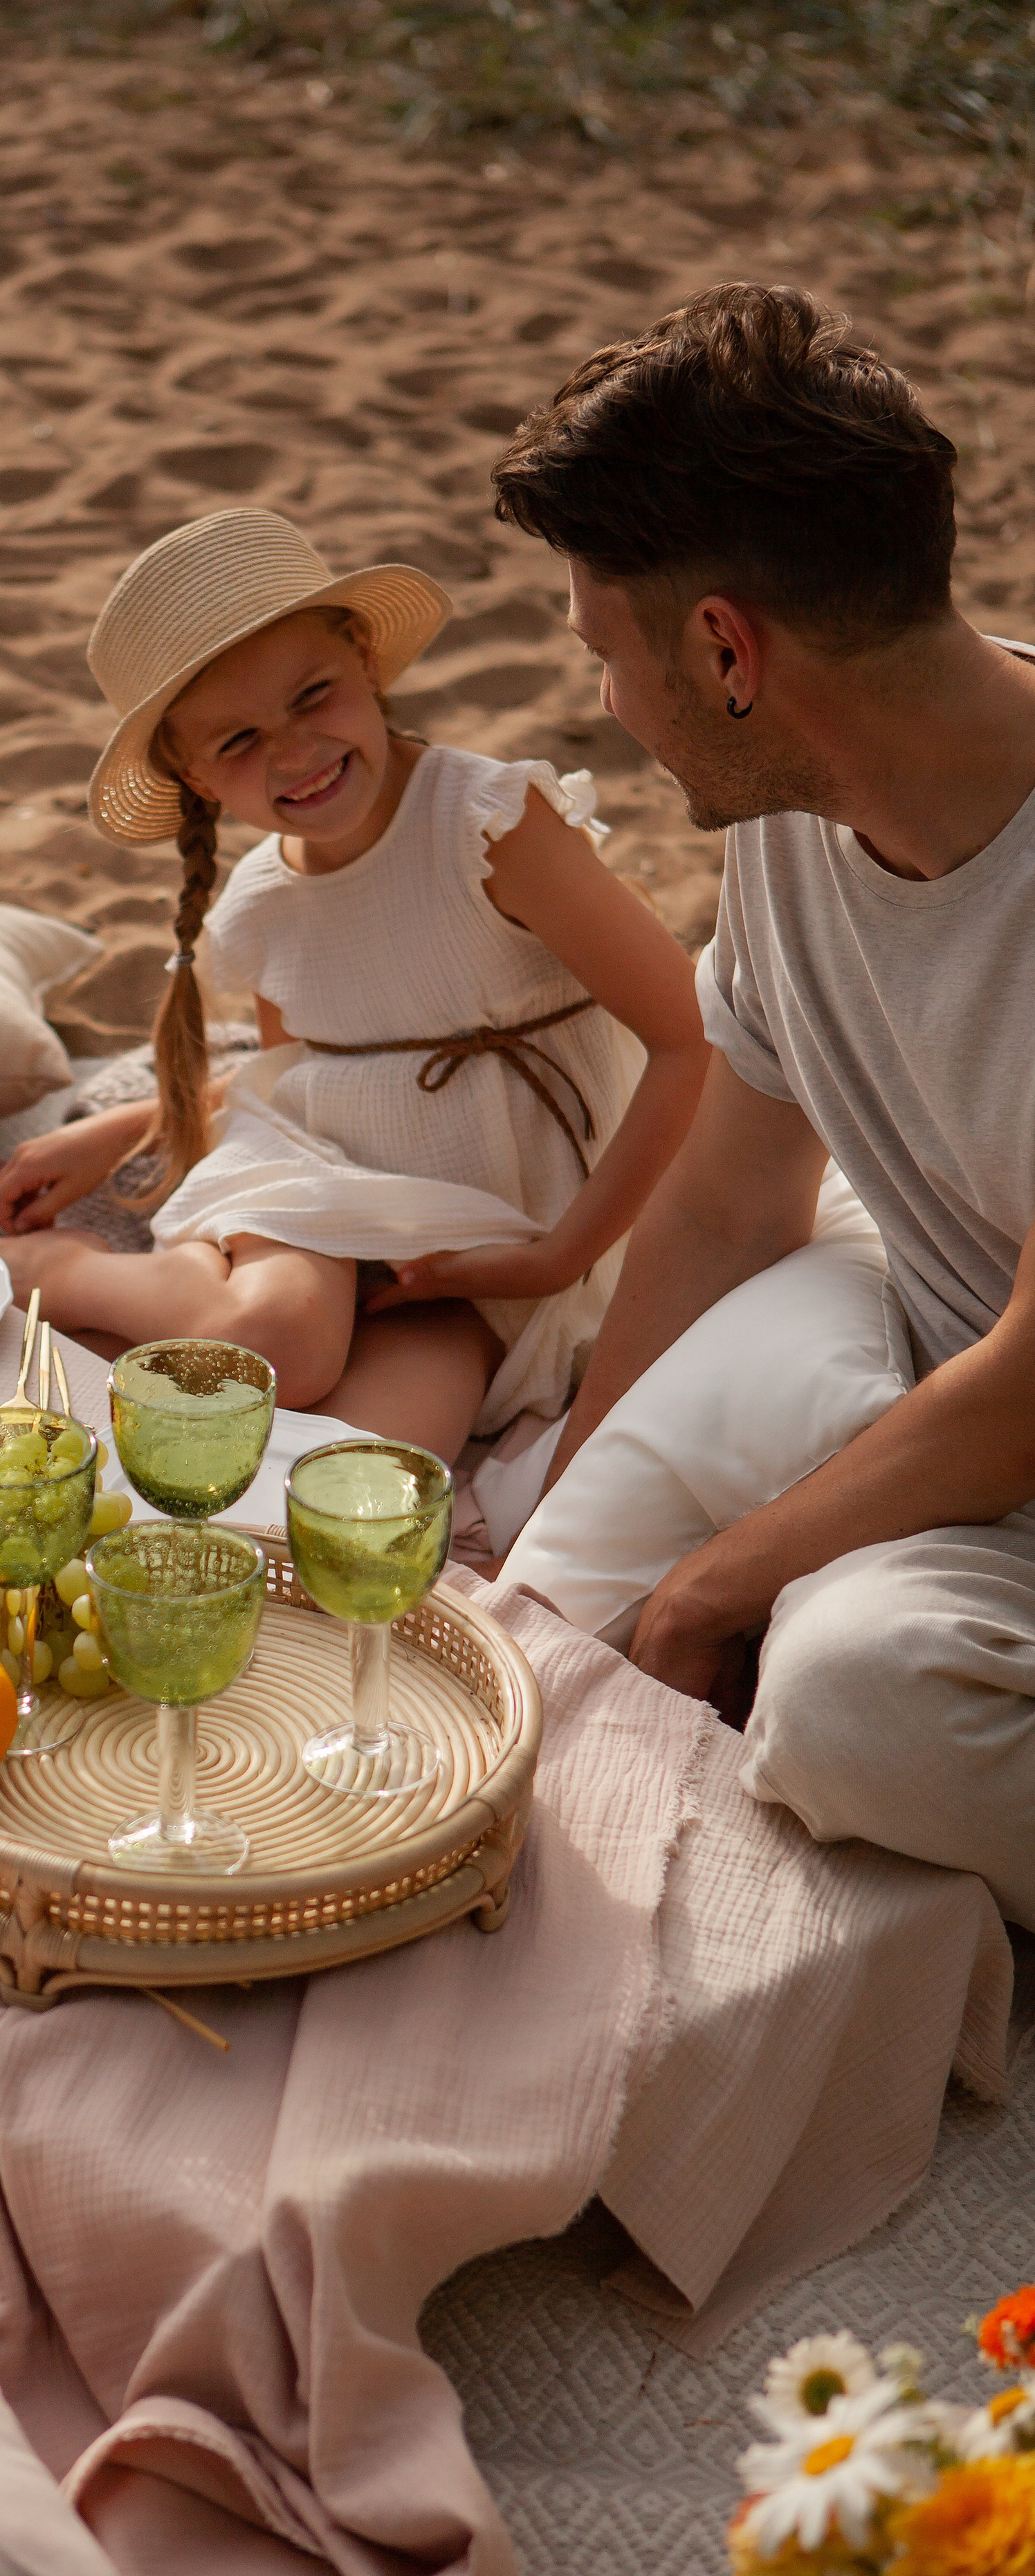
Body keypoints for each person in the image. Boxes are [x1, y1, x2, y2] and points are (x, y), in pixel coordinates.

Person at [493, 282, 1035, 1929]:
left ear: (725, 651)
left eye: (605, 653)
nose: (605, 701)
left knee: (847, 1704)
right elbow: (729, 1203)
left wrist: (708, 1593)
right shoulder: (796, 810)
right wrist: (573, 1494)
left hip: (1006, 1404)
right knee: (528, 1622)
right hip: (945, 1370)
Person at [0, 507, 706, 1461]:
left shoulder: (490, 826)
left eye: (313, 696)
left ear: (366, 661)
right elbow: (303, 1083)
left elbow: (691, 1039)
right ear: (195, 778)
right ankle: (59, 1270)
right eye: (238, 742)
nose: (293, 753)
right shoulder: (261, 904)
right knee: (274, 1343)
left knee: (366, 1468)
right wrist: (133, 1129)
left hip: (478, 1241)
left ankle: (162, 1304)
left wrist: (556, 1257)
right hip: (320, 1197)